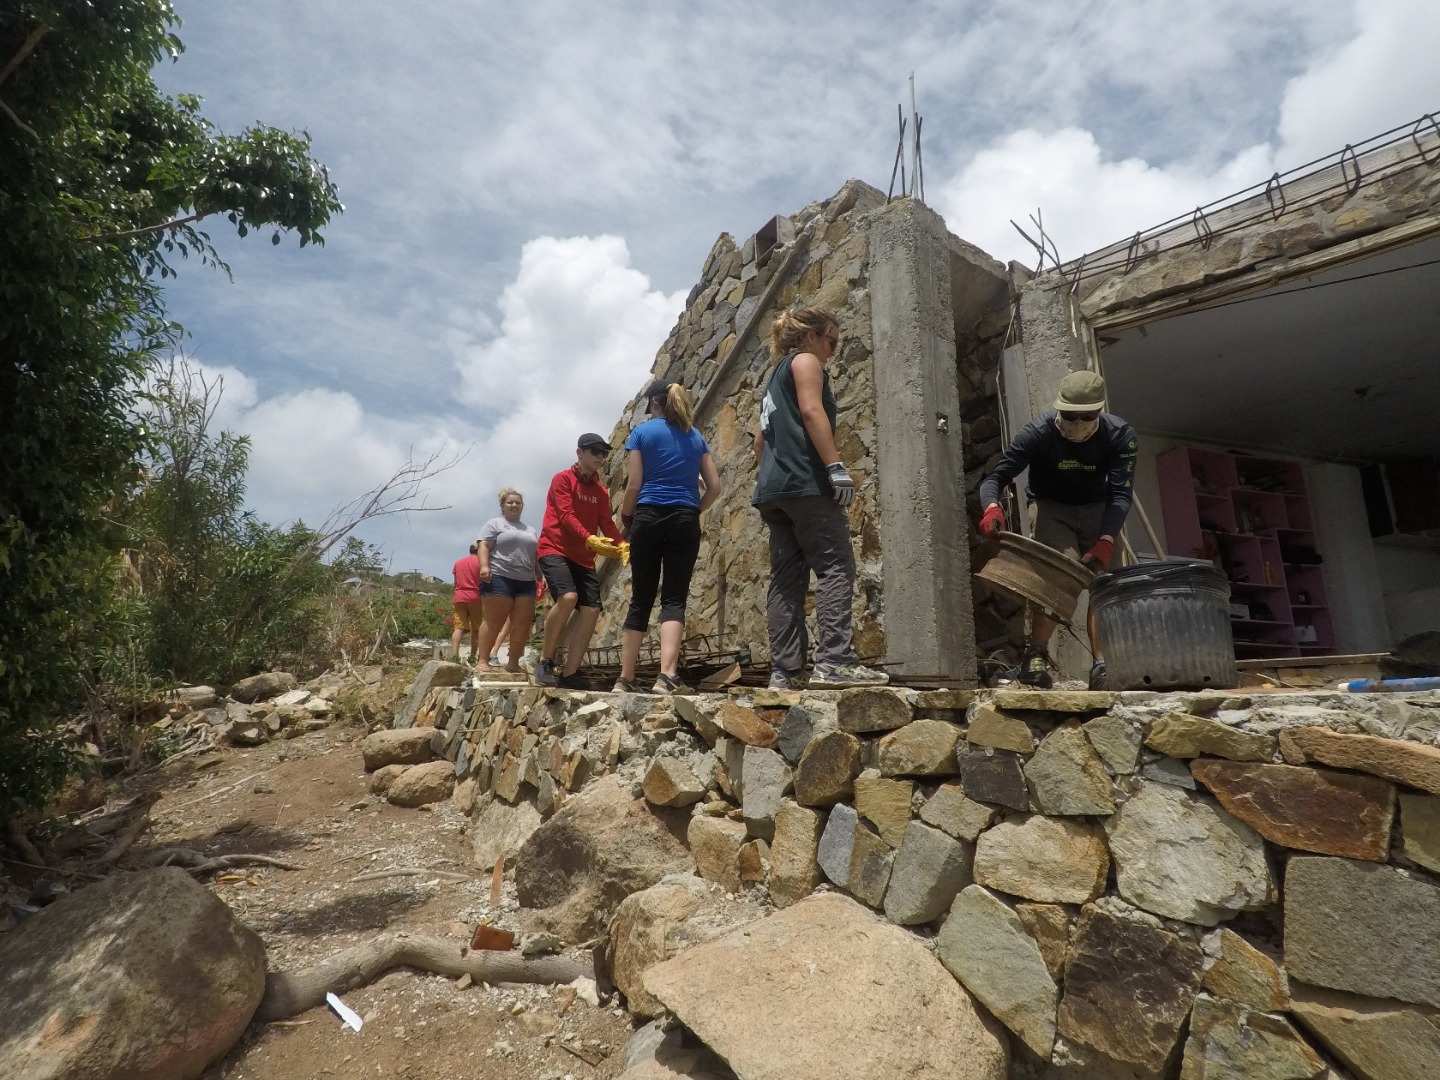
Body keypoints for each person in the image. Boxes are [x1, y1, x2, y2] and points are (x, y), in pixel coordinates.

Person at [751, 306, 889, 690]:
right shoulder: (806, 361)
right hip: (806, 485)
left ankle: (785, 672)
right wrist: (835, 466)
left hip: (773, 491)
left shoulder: (773, 380)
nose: (832, 351)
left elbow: (760, 442)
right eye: (831, 341)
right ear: (811, 337)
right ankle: (835, 662)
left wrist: (778, 475)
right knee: (835, 566)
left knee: (786, 580)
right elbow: (812, 412)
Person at [977, 369, 1138, 690]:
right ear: (1059, 408)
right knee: (1056, 576)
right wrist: (991, 507)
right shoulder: (1037, 434)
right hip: (1051, 507)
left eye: (1086, 417)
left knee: (1104, 584)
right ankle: (1035, 656)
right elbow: (996, 477)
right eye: (1069, 416)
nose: (1077, 424)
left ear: (1098, 411)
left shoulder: (1120, 436)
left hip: (1099, 508)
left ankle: (1103, 666)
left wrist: (1107, 538)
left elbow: (1121, 494)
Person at [614, 381, 721, 694]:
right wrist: (693, 509)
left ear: (654, 404)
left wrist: (627, 519)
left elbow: (634, 485)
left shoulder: (641, 433)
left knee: (641, 598)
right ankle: (667, 676)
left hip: (647, 516)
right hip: (684, 518)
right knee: (674, 598)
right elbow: (714, 487)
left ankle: (625, 679)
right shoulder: (695, 435)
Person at [533, 433, 624, 688]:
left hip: (583, 557)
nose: (600, 457)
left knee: (592, 609)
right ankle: (544, 661)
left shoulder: (601, 491)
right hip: (554, 548)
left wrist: (622, 545)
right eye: (594, 451)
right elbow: (565, 515)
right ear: (579, 452)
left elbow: (606, 523)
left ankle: (570, 673)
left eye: (603, 453)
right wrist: (589, 538)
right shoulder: (562, 479)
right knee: (568, 597)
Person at [475, 487, 539, 674]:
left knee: (522, 623)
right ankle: (483, 660)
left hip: (526, 580)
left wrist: (541, 575)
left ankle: (513, 662)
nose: (514, 505)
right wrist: (484, 566)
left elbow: (535, 555)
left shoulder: (530, 530)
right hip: (499, 576)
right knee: (494, 620)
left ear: (522, 506)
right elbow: (483, 545)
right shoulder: (494, 524)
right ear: (502, 506)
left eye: (518, 502)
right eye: (510, 502)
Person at [450, 543, 483, 663]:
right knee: (477, 629)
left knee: (458, 628)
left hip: (459, 597)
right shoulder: (482, 563)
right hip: (475, 598)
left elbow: (455, 583)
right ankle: (472, 657)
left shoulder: (458, 562)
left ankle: (454, 657)